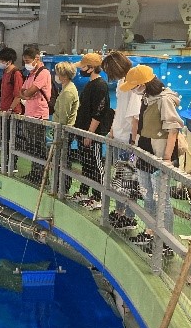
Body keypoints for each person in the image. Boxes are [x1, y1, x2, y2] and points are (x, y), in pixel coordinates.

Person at [120, 65, 182, 250]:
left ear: (144, 84)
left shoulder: (164, 100)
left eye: (135, 85)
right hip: (145, 153)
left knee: (162, 199)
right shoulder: (146, 99)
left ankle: (166, 241)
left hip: (159, 157)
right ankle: (149, 231)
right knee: (147, 195)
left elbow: (173, 130)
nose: (133, 89)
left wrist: (166, 159)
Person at [101, 52, 141, 229]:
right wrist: (112, 129)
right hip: (118, 136)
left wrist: (133, 141)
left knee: (129, 180)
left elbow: (135, 116)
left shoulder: (134, 84)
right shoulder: (121, 82)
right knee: (119, 179)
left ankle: (129, 217)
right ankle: (119, 212)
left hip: (127, 140)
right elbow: (120, 109)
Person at [71, 53, 112, 210]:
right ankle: (84, 191)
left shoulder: (100, 86)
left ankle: (98, 196)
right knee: (86, 164)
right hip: (83, 131)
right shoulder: (90, 84)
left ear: (91, 68)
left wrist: (90, 133)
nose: (81, 69)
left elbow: (99, 112)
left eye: (83, 66)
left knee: (96, 164)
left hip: (91, 133)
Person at [19, 46, 52, 184]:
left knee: (39, 146)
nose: (26, 63)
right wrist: (25, 93)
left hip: (39, 115)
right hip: (29, 114)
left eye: (28, 60)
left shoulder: (43, 73)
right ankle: (34, 172)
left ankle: (43, 177)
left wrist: (26, 93)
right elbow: (22, 91)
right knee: (31, 146)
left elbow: (29, 91)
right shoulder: (31, 73)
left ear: (36, 58)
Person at [52, 61, 79, 194]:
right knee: (62, 160)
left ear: (64, 75)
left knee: (63, 160)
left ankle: (62, 187)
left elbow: (63, 116)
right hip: (62, 130)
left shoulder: (68, 92)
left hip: (63, 131)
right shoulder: (66, 88)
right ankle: (60, 185)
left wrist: (58, 131)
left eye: (58, 73)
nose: (56, 76)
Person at [0, 47, 24, 115]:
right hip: (3, 111)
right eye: (0, 60)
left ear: (9, 61)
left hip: (13, 112)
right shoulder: (5, 72)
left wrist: (10, 109)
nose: (0, 63)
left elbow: (18, 95)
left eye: (2, 61)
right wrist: (0, 107)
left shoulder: (16, 73)